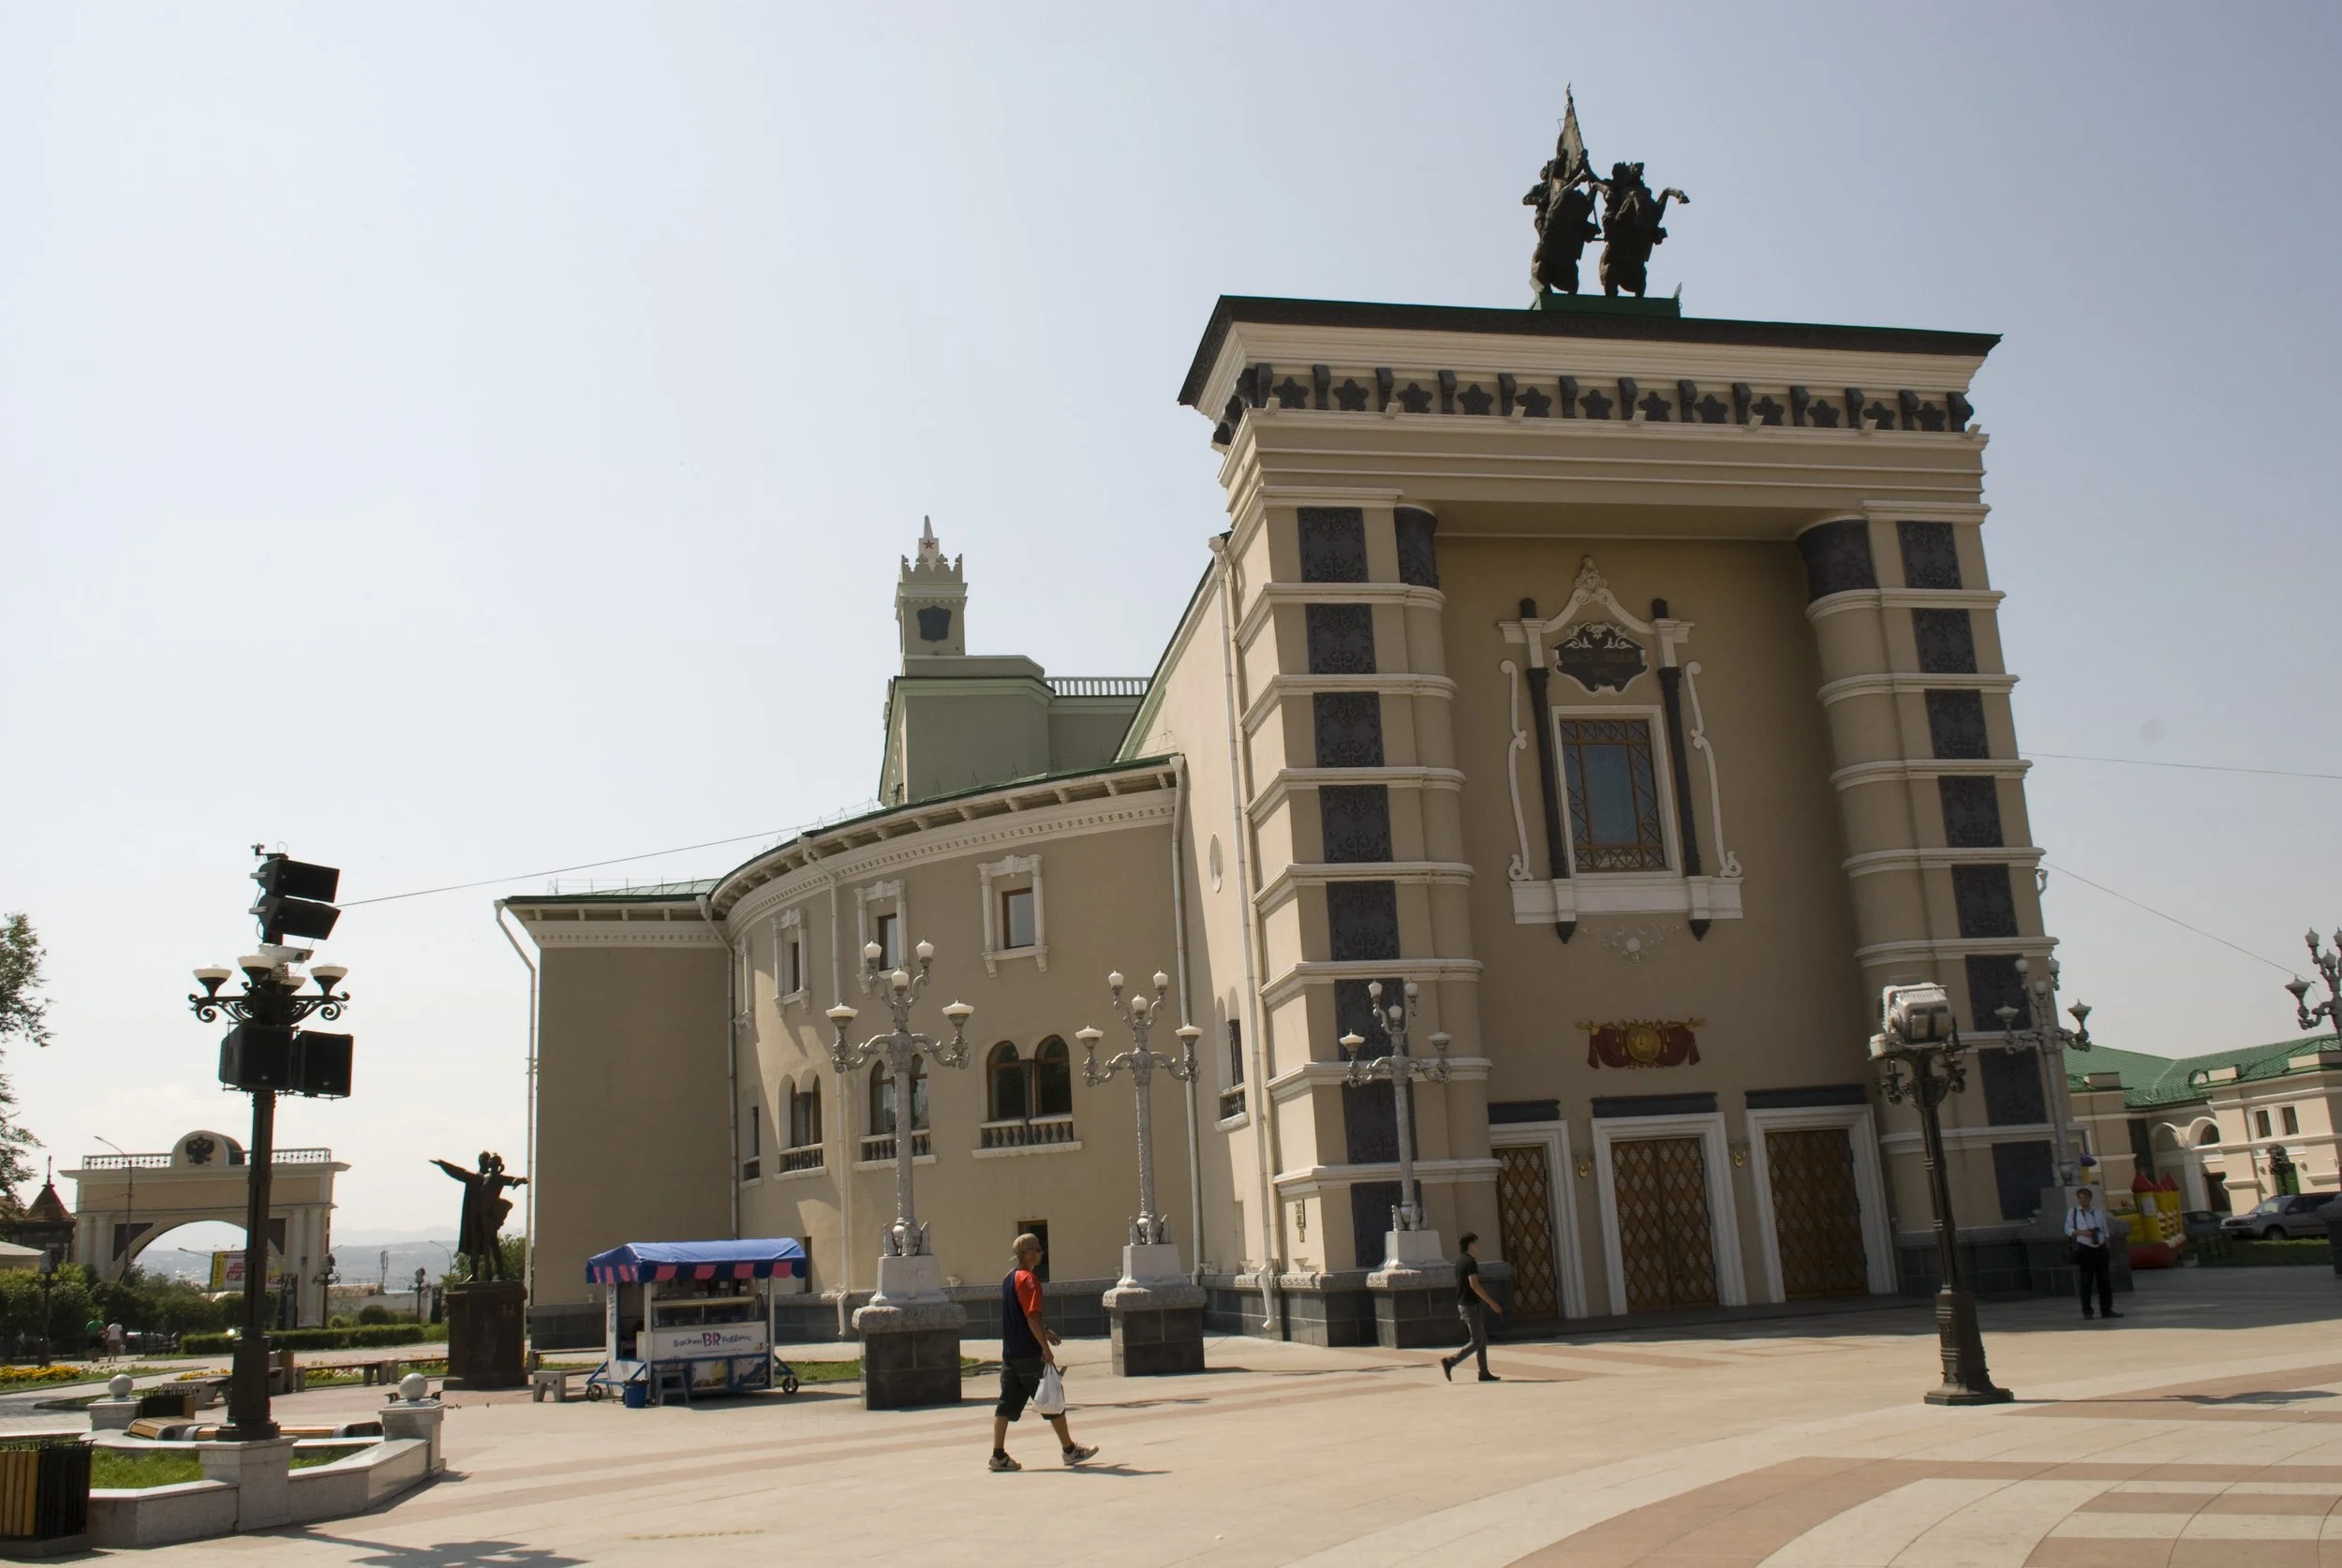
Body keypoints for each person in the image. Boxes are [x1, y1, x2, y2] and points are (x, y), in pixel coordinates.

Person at [989, 1233, 1097, 1472]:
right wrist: (1046, 1350)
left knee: (1005, 1404)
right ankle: (1069, 1450)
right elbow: (1031, 1316)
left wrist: (1045, 1331)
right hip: (1029, 1354)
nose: (1041, 1253)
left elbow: (1019, 1316)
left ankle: (998, 1455)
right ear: (1028, 1254)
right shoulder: (1029, 1280)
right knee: (1052, 1396)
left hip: (1011, 1354)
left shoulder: (1008, 1278)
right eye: (1038, 1250)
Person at [1439, 1232, 1504, 1383]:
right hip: (1470, 1305)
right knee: (1477, 1340)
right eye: (1476, 1244)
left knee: (1482, 1339)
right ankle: (1450, 1361)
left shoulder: (1460, 1261)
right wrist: (1491, 1303)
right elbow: (1474, 1285)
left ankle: (1484, 1372)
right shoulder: (1470, 1262)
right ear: (1471, 1245)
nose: (1477, 1247)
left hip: (1466, 1304)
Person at [2065, 1187, 2122, 1321]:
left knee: (2104, 1281)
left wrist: (2104, 1240)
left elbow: (2105, 1231)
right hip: (2085, 1248)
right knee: (2086, 1281)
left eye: (2084, 1198)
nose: (2082, 1201)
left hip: (2100, 1248)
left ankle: (2106, 1309)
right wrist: (2083, 1232)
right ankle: (2087, 1311)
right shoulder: (2073, 1212)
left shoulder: (2097, 1213)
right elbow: (2068, 1229)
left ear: (2090, 1199)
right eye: (2080, 1198)